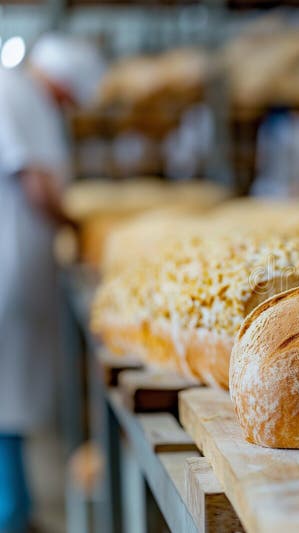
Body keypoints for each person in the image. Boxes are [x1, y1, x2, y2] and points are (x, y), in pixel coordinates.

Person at [0, 33, 105, 532]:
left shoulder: (27, 98)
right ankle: (11, 513)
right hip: (9, 269)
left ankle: (15, 507)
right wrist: (75, 224)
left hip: (22, 268)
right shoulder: (12, 93)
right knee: (7, 395)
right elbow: (36, 184)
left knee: (12, 395)